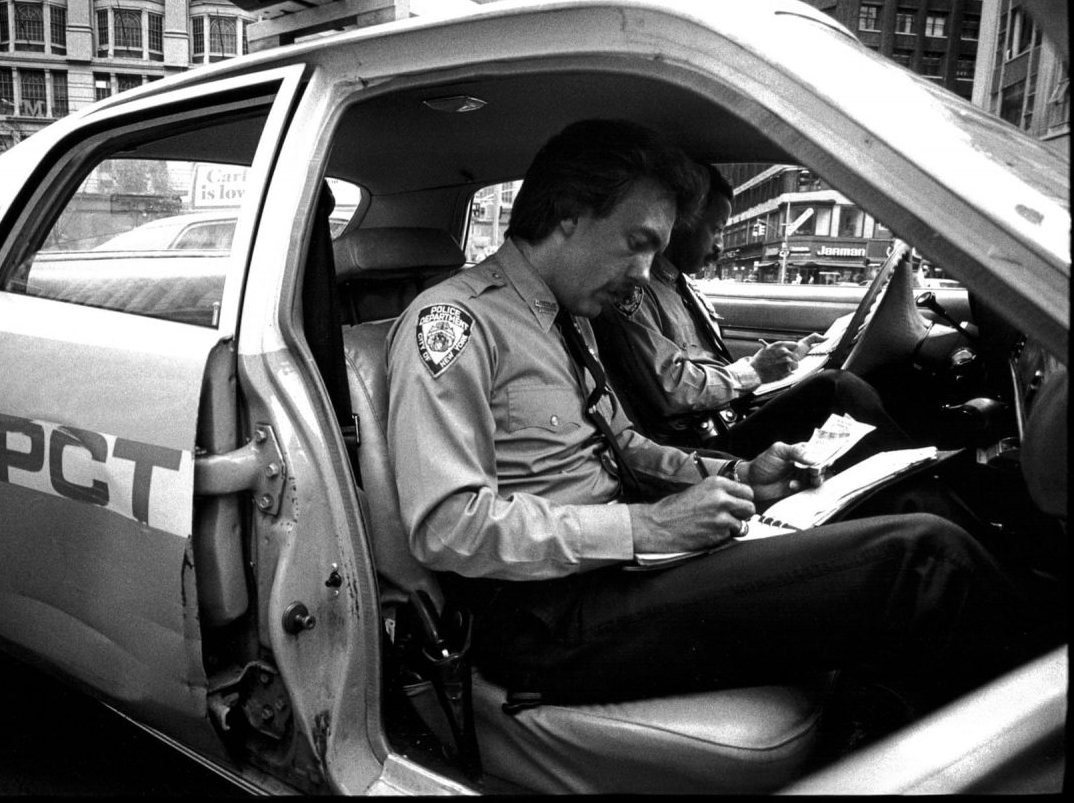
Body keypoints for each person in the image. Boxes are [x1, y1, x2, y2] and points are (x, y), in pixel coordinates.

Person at [385, 119, 1061, 741]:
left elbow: (627, 445)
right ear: (567, 215)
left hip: (617, 565)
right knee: (921, 557)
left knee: (912, 503)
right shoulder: (451, 324)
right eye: (638, 242)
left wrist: (738, 475)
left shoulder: (569, 318)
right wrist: (649, 528)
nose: (646, 272)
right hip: (547, 614)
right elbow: (448, 524)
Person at [592, 162, 912, 463]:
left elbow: (712, 364)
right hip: (697, 447)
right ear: (681, 224)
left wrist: (794, 357)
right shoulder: (635, 292)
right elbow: (671, 390)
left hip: (727, 418)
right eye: (715, 230)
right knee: (836, 389)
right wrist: (755, 371)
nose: (719, 246)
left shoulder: (684, 287)